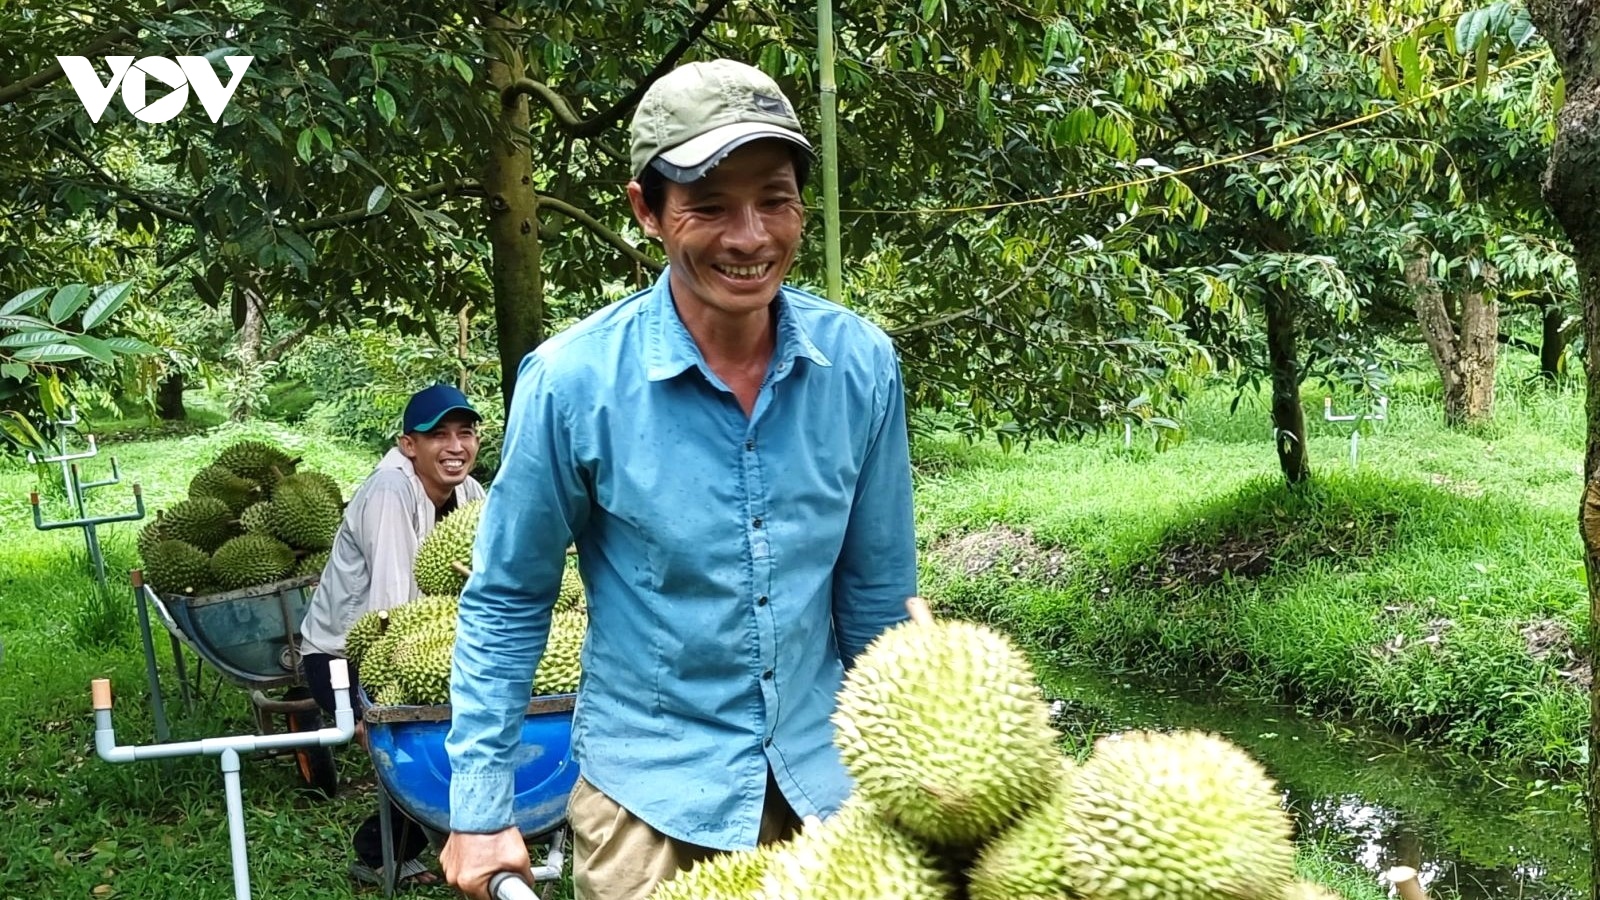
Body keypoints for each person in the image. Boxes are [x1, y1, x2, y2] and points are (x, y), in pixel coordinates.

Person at [440, 58, 919, 900]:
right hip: (651, 801)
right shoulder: (573, 382)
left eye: (774, 199)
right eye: (708, 205)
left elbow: (877, 598)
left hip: (828, 783)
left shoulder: (861, 367)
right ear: (647, 213)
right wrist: (480, 809)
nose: (750, 236)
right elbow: (509, 596)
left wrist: (920, 779)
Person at [297, 382, 486, 889]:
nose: (455, 447)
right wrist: (372, 708)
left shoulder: (468, 493)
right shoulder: (388, 491)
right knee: (412, 743)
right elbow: (391, 604)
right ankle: (390, 853)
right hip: (344, 652)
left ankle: (384, 852)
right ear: (409, 445)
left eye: (465, 434)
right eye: (437, 436)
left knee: (437, 740)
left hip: (418, 640)